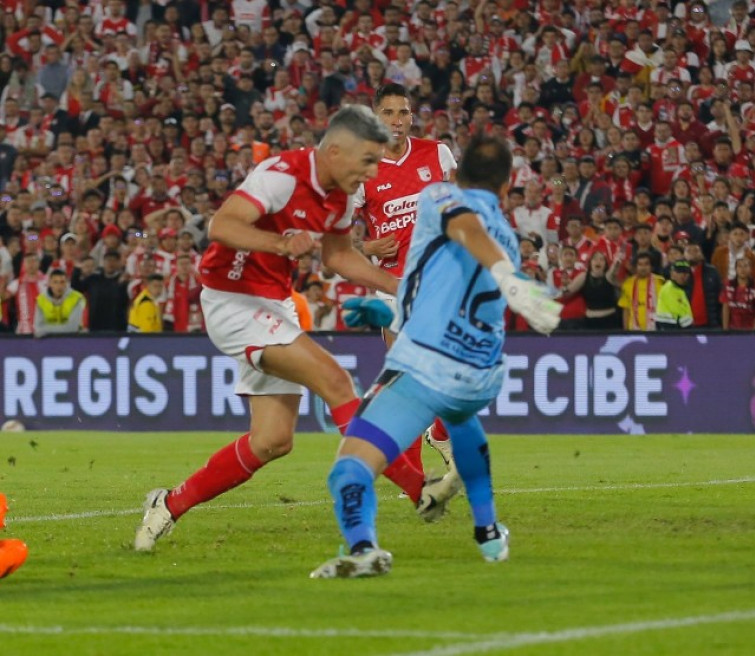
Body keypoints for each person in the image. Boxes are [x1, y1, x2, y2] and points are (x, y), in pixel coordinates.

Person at [134, 106, 431, 552]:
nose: (372, 172)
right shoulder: (281, 174)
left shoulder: (341, 198)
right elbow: (222, 225)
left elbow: (338, 258)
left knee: (272, 441)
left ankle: (168, 504)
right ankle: (419, 489)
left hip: (272, 304)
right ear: (334, 151)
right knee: (335, 380)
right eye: (367, 161)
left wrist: (400, 286)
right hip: (231, 299)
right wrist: (279, 242)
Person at [310, 135, 562, 578]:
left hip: (427, 365)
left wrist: (507, 278)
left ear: (457, 173)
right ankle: (487, 533)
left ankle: (364, 547)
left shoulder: (440, 196)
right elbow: (445, 282)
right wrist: (393, 309)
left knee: (349, 469)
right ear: (505, 189)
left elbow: (464, 226)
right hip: (480, 377)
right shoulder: (507, 234)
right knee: (462, 421)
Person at [353, 83, 459, 511]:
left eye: (403, 112)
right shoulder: (362, 166)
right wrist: (366, 248)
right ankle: (416, 483)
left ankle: (440, 433)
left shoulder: (438, 154)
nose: (397, 120)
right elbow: (337, 233)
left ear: (412, 116)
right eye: (388, 112)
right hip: (393, 287)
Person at [34, 268, 86, 337]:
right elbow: (38, 328)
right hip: (48, 343)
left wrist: (45, 330)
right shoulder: (41, 300)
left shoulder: (76, 299)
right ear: (49, 283)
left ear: (67, 283)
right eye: (55, 282)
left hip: (73, 341)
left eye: (62, 282)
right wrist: (42, 330)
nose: (59, 286)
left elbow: (72, 328)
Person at [655, 260, 693, 330]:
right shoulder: (669, 289)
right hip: (670, 330)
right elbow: (679, 313)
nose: (683, 275)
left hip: (674, 329)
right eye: (679, 272)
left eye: (685, 272)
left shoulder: (680, 289)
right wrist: (690, 330)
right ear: (672, 274)